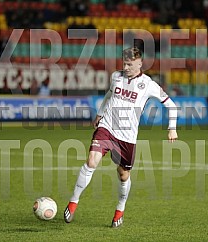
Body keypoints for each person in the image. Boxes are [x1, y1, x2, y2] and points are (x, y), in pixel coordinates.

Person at [64, 47, 178, 228]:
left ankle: (120, 208)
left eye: (130, 64)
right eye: (124, 63)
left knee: (123, 175)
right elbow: (109, 94)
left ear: (140, 64)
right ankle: (73, 201)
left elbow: (171, 106)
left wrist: (172, 128)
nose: (125, 67)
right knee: (92, 161)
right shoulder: (116, 76)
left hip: (127, 137)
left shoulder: (149, 85)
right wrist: (100, 115)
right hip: (107, 127)